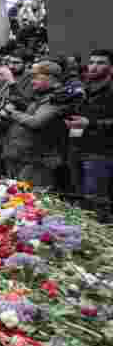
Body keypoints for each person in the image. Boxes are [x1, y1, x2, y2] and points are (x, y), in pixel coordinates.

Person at [0, 60, 71, 188]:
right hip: (27, 159)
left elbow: (36, 122)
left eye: (37, 78)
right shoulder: (42, 96)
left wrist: (12, 112)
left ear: (51, 78)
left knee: (35, 202)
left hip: (42, 163)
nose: (32, 82)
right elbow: (28, 108)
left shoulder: (58, 98)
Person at [66, 50, 113, 220]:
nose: (94, 66)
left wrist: (90, 124)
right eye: (92, 62)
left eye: (100, 62)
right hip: (76, 148)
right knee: (82, 199)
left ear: (111, 68)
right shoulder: (83, 88)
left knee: (97, 202)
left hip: (101, 152)